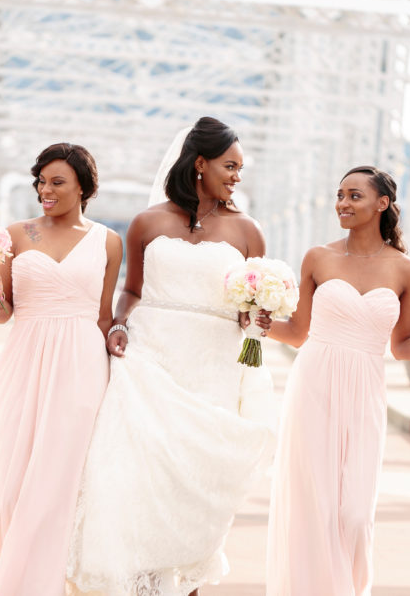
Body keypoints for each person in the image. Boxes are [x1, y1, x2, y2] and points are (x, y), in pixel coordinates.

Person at [66, 117, 275, 595]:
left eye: (241, 168)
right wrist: (118, 325)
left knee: (198, 489)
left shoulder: (248, 231)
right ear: (199, 164)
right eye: (230, 165)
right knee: (139, 482)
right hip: (150, 362)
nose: (237, 176)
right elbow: (132, 290)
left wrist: (257, 320)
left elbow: (252, 304)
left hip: (213, 369)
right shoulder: (148, 222)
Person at [0, 143, 122, 596]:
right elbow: (2, 314)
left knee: (59, 480)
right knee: (12, 477)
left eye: (57, 182)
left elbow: (103, 315)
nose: (45, 190)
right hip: (24, 359)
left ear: (83, 185)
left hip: (82, 365)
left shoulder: (108, 241)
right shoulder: (14, 235)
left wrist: (117, 358)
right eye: (40, 181)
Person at [260, 166, 410, 596]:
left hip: (366, 389)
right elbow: (298, 332)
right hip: (315, 382)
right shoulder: (318, 258)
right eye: (339, 195)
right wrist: (258, 323)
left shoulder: (406, 270)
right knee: (313, 504)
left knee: (355, 511)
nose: (342, 203)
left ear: (382, 204)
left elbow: (403, 344)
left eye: (354, 195)